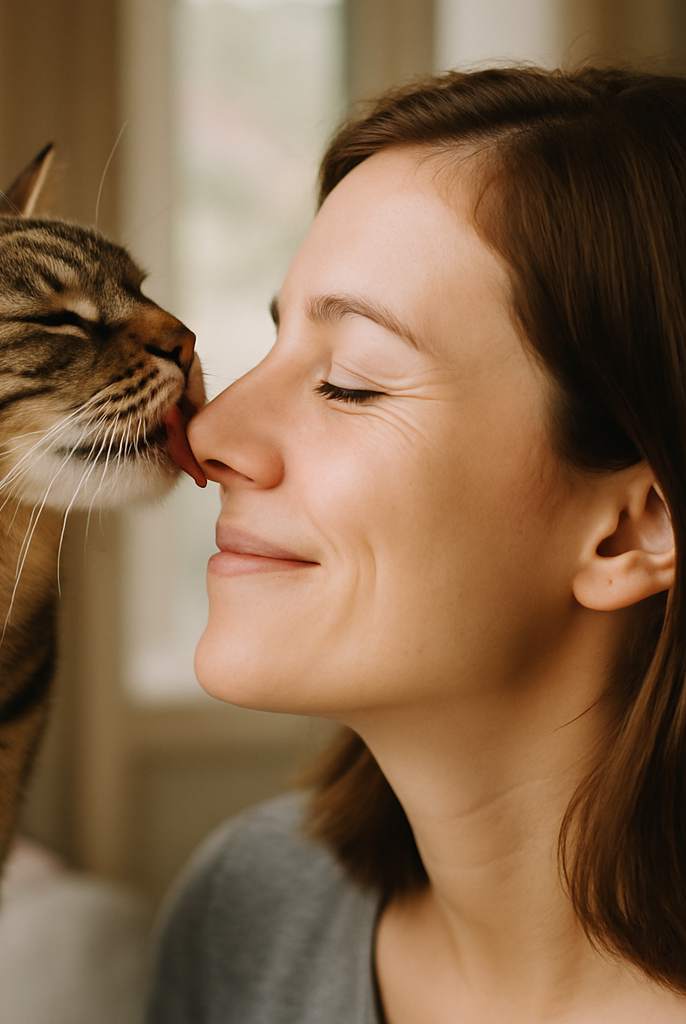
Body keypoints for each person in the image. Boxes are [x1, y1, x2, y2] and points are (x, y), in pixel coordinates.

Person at [146, 66, 686, 1024]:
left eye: (350, 381)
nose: (210, 433)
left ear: (632, 528)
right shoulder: (250, 917)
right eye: (276, 345)